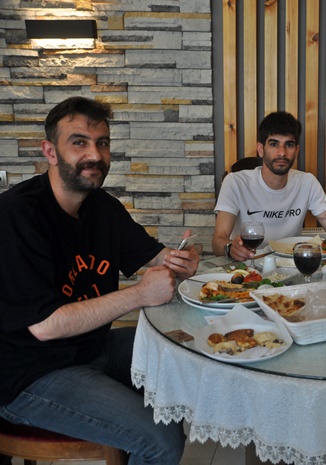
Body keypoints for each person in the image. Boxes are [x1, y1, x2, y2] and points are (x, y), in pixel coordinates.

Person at [0, 97, 199, 464]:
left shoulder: (103, 207)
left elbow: (155, 255)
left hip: (93, 347)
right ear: (50, 151)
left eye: (102, 143)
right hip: (31, 374)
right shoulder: (17, 215)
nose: (95, 155)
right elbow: (45, 326)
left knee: (189, 348)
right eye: (79, 142)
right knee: (162, 440)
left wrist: (180, 258)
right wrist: (139, 294)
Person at [213, 111, 326, 262]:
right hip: (246, 266)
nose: (282, 153)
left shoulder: (308, 183)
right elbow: (218, 241)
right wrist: (230, 248)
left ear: (296, 150)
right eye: (274, 144)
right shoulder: (235, 182)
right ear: (260, 149)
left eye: (289, 145)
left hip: (291, 267)